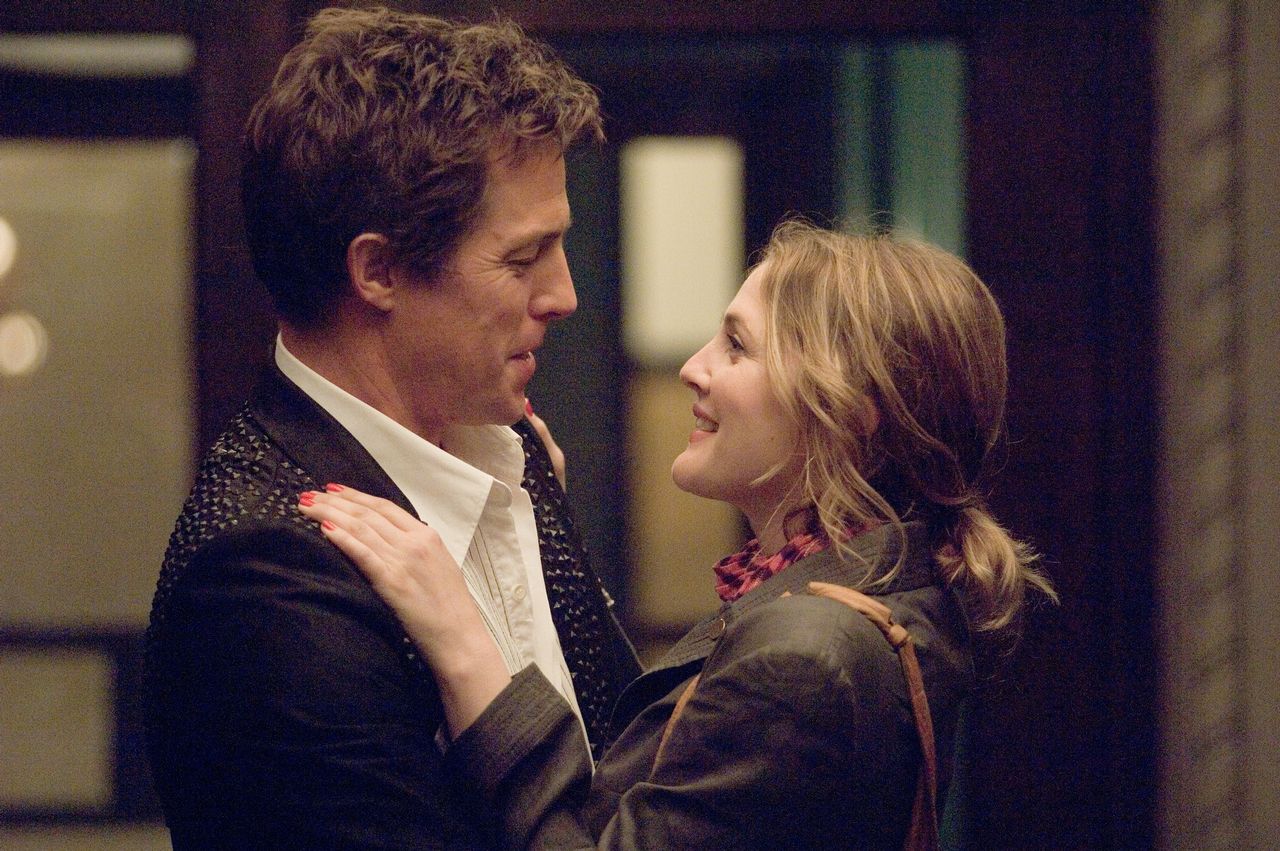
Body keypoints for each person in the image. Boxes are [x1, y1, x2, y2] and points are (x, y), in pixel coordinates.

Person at [299, 220, 1058, 849]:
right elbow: (659, 749)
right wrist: (546, 533)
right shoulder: (886, 582)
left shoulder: (805, 653)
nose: (694, 368)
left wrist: (465, 642)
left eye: (737, 347)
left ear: (849, 411)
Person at [144, 7, 638, 849]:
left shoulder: (511, 448)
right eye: (522, 258)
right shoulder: (263, 570)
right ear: (379, 269)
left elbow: (624, 772)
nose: (564, 296)